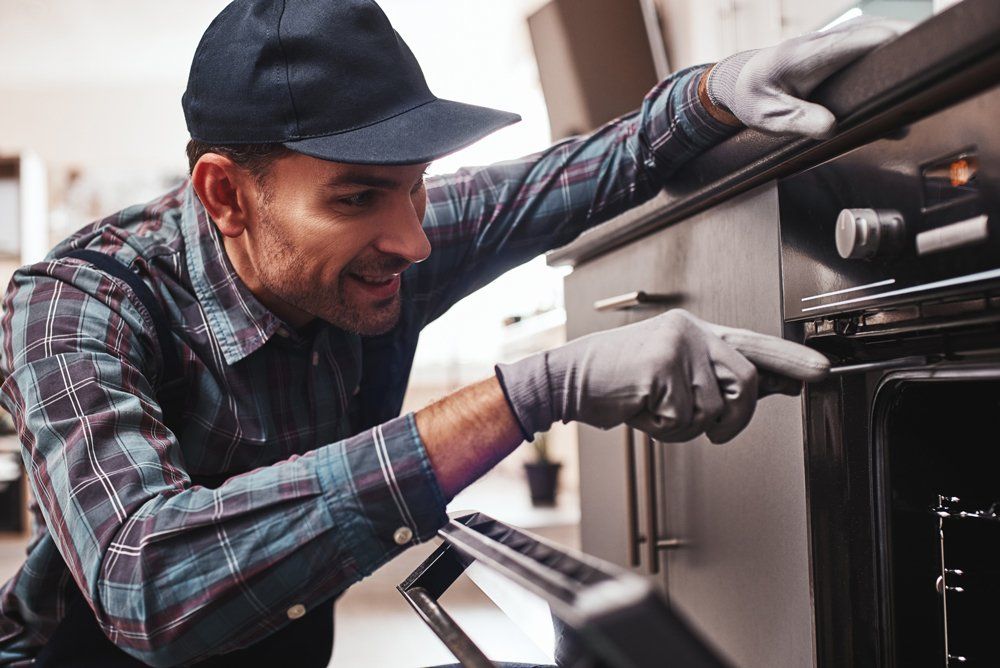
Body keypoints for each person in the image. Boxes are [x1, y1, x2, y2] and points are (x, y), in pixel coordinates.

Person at [0, 1, 904, 665]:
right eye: (358, 197)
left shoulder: (373, 231)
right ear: (227, 196)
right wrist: (534, 393)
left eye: (418, 184)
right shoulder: (77, 304)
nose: (415, 239)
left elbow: (565, 177)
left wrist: (712, 92)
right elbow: (148, 582)